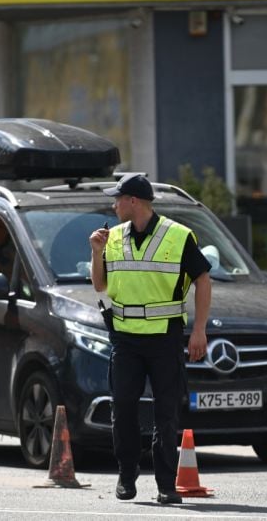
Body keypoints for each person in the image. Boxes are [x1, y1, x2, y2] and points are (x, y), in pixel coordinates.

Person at [89, 173, 212, 505]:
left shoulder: (178, 236)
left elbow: (202, 279)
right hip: (125, 339)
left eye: (117, 198)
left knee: (166, 413)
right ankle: (127, 475)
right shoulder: (111, 237)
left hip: (165, 338)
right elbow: (100, 286)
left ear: (133, 202)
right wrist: (96, 252)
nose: (113, 204)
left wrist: (199, 328)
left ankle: (166, 486)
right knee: (124, 408)